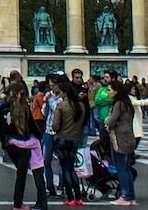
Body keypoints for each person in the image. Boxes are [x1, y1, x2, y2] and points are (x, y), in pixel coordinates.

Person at [0, 82, 47, 210]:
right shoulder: (25, 108)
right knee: (22, 175)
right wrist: (39, 137)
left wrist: (5, 144)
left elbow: (1, 128)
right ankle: (18, 203)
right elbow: (32, 126)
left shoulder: (4, 107)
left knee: (20, 174)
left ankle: (18, 203)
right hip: (24, 144)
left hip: (11, 144)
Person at [50, 77, 86, 207]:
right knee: (72, 168)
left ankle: (70, 197)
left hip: (62, 138)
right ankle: (78, 197)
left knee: (65, 169)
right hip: (74, 138)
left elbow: (55, 125)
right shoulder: (80, 106)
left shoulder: (61, 105)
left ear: (65, 92)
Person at [105, 80, 138, 206]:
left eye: (109, 90)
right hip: (129, 137)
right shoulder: (127, 103)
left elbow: (111, 121)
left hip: (120, 138)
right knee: (127, 168)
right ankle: (131, 196)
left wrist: (107, 122)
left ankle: (125, 196)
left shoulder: (118, 103)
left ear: (116, 91)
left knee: (121, 168)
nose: (108, 93)